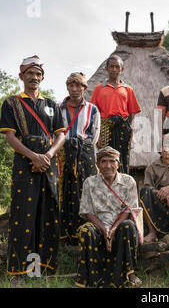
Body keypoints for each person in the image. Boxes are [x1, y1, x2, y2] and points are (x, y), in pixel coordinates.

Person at [0, 55, 66, 283]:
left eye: (38, 74)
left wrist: (47, 155)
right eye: (30, 73)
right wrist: (33, 156)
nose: (34, 77)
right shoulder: (12, 103)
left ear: (43, 77)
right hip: (24, 165)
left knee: (47, 213)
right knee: (23, 216)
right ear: (21, 76)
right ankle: (18, 272)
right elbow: (10, 136)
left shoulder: (52, 105)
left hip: (49, 165)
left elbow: (61, 135)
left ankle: (40, 269)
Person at [76, 146, 142, 288]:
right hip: (98, 226)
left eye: (112, 161)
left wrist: (112, 229)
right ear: (97, 164)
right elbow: (88, 212)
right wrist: (104, 230)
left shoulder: (128, 181)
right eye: (103, 161)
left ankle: (129, 273)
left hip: (119, 226)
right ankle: (92, 276)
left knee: (129, 226)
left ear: (118, 163)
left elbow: (128, 210)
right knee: (86, 230)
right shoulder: (90, 182)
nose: (108, 166)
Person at [58, 72, 100, 244]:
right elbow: (56, 132)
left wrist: (82, 148)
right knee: (65, 188)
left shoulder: (93, 109)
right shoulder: (57, 108)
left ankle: (85, 231)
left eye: (78, 86)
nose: (74, 89)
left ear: (84, 88)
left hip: (85, 152)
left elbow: (95, 134)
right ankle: (64, 233)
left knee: (86, 188)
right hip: (64, 151)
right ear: (67, 87)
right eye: (71, 85)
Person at [90, 55, 141, 174]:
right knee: (105, 157)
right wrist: (97, 135)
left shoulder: (128, 89)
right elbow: (94, 113)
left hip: (123, 128)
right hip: (105, 128)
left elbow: (132, 112)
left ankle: (122, 187)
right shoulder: (98, 88)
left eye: (117, 67)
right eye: (111, 67)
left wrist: (129, 129)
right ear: (106, 68)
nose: (114, 69)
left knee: (122, 158)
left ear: (122, 69)